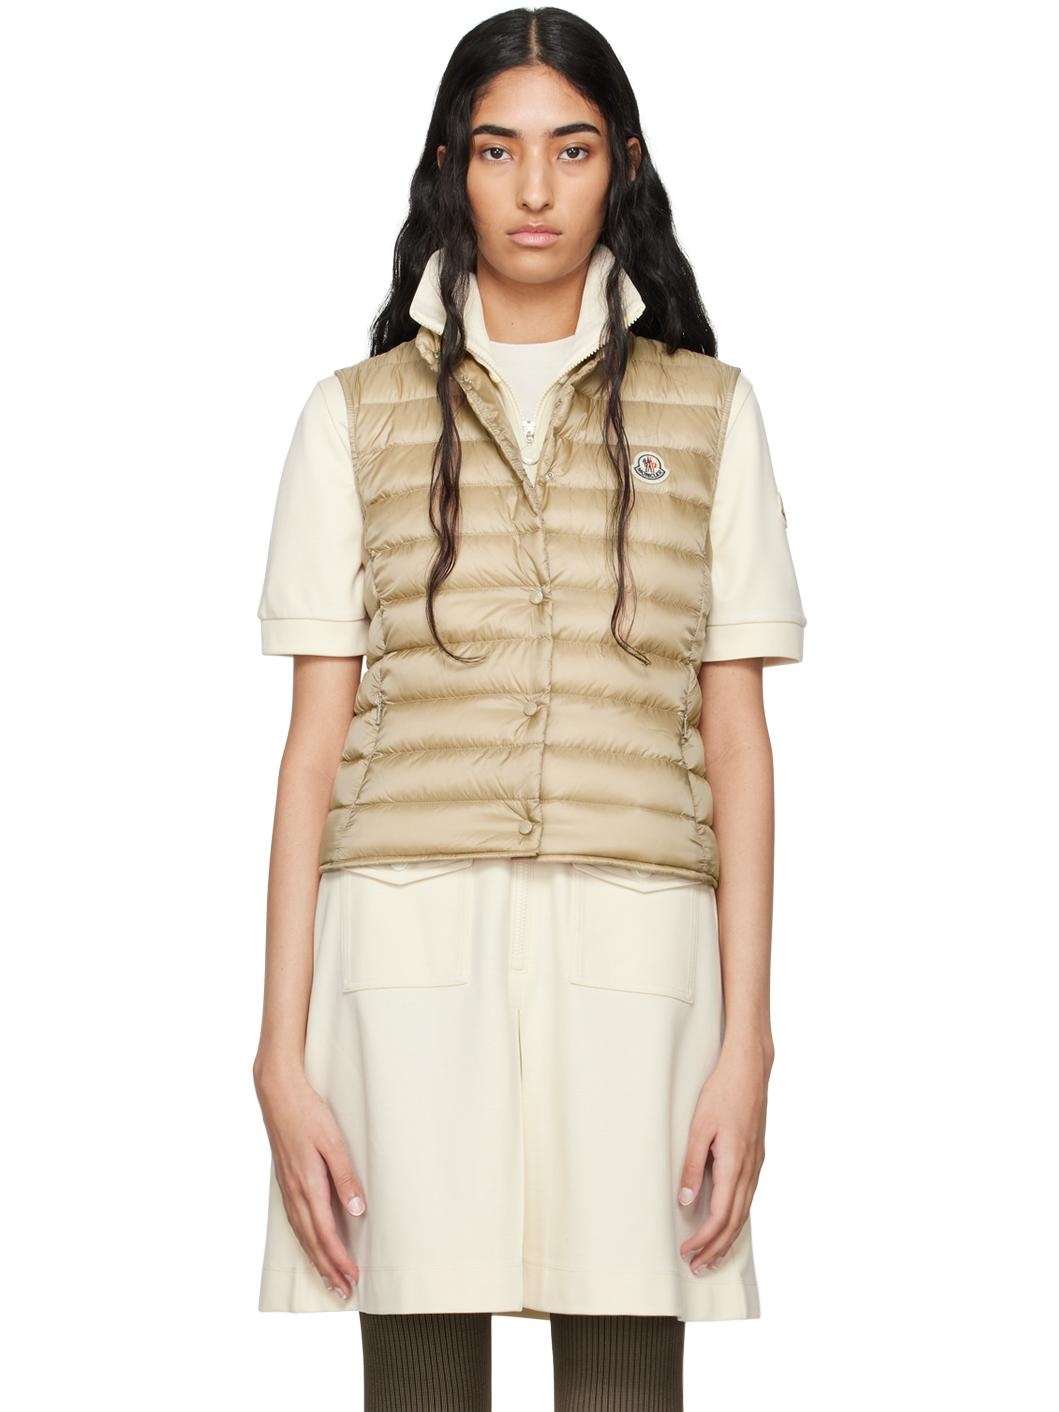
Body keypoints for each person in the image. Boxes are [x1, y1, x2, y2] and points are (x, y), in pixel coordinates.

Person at [252, 8, 806, 1409]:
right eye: (499, 151)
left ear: (625, 164)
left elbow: (736, 743)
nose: (538, 189)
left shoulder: (710, 412)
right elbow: (313, 749)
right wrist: (278, 1052)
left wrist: (749, 1042)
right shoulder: (354, 414)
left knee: (626, 1381)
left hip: (640, 944)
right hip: (405, 940)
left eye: (573, 148)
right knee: (419, 1378)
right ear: (452, 168)